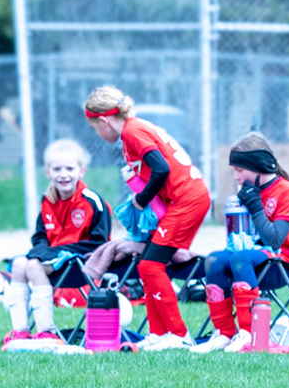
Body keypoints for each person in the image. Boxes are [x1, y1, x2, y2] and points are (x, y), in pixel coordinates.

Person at [84, 85, 211, 350]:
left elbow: (161, 169)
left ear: (104, 121)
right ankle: (158, 333)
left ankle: (178, 334)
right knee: (147, 265)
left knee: (151, 265)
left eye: (95, 128)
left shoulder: (132, 131)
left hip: (186, 201)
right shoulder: (134, 129)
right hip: (181, 201)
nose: (97, 133)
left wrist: (141, 200)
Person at [190, 133, 289, 353]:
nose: (236, 177)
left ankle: (249, 334)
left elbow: (274, 240)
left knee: (240, 258)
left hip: (286, 263)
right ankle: (224, 333)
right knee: (214, 259)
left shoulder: (288, 192)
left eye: (239, 170)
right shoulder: (250, 191)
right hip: (256, 258)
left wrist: (255, 207)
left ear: (258, 166)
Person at [2, 139, 109, 347]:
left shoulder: (92, 201)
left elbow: (99, 244)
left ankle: (47, 332)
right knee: (19, 264)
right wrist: (42, 252)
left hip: (81, 264)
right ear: (48, 173)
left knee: (33, 266)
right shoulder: (47, 201)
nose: (63, 174)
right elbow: (39, 236)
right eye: (57, 169)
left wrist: (52, 253)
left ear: (82, 171)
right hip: (53, 260)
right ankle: (21, 331)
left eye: (70, 168)